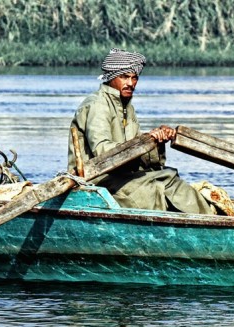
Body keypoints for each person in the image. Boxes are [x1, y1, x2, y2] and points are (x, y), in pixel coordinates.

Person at [68, 48, 215, 214]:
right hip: (98, 181)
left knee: (169, 176)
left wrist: (156, 141)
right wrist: (143, 140)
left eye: (134, 78)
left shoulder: (126, 107)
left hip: (122, 176)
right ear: (111, 77)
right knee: (157, 187)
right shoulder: (97, 105)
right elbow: (103, 152)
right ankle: (205, 220)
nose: (131, 83)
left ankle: (210, 219)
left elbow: (138, 158)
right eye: (124, 77)